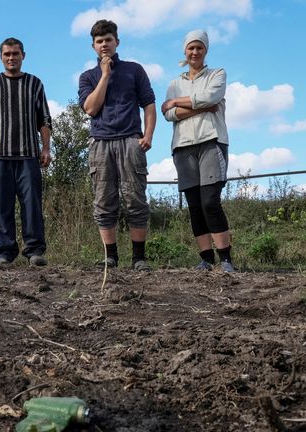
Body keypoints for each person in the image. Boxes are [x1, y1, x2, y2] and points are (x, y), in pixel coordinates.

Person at [78, 19, 156, 271]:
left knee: (135, 199)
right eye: (99, 41)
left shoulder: (134, 70)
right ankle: (110, 257)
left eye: (108, 40)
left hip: (131, 140)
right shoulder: (88, 76)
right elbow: (91, 108)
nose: (104, 45)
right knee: (103, 200)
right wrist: (105, 75)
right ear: (93, 46)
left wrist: (148, 135)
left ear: (117, 42)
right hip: (100, 143)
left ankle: (138, 258)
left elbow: (149, 104)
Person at [161, 30, 235, 273]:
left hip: (211, 141)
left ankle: (225, 259)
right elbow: (169, 114)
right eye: (191, 48)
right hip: (182, 146)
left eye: (199, 48)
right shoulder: (174, 84)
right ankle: (206, 258)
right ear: (185, 51)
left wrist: (177, 102)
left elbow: (212, 95)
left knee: (210, 201)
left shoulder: (217, 74)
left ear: (206, 50)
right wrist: (198, 106)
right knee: (194, 204)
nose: (195, 52)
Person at [0, 37, 52, 266]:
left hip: (29, 156)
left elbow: (45, 120)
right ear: (1, 57)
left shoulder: (35, 84)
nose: (11, 58)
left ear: (23, 56)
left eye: (15, 54)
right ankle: (4, 253)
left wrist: (46, 148)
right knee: (1, 207)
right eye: (7, 54)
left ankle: (34, 252)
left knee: (32, 206)